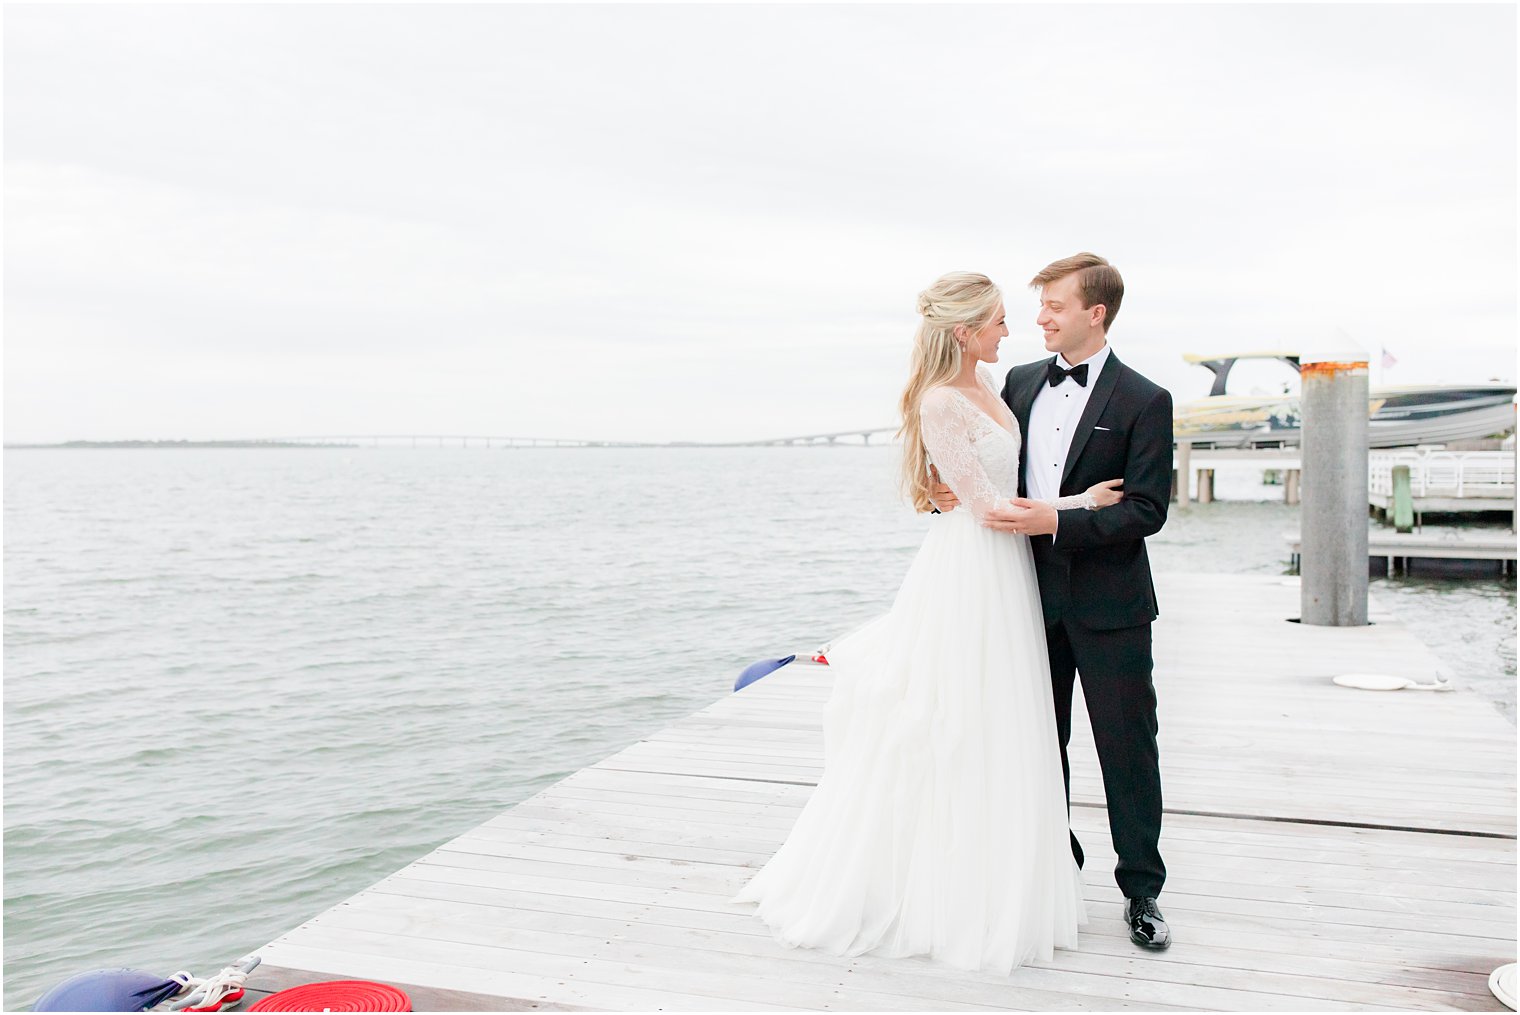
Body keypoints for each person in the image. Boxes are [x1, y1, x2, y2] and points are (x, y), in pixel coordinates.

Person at [734, 272, 1124, 974]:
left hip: (1007, 571)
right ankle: (942, 890)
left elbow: (1006, 485)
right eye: (1000, 321)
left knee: (1002, 719)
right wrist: (1083, 503)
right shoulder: (941, 401)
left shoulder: (992, 390)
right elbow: (988, 507)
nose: (1012, 330)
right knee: (956, 718)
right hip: (975, 566)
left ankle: (1006, 874)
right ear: (964, 332)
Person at [930, 253, 1174, 950]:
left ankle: (1143, 891)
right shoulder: (1016, 381)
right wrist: (939, 493)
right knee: (1037, 740)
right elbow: (969, 458)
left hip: (1111, 603)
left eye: (1055, 306)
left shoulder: (1145, 399)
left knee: (1128, 746)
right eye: (1037, 306)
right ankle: (1053, 867)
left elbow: (1149, 510)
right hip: (1021, 595)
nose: (1040, 317)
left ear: (1094, 313)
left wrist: (1061, 520)